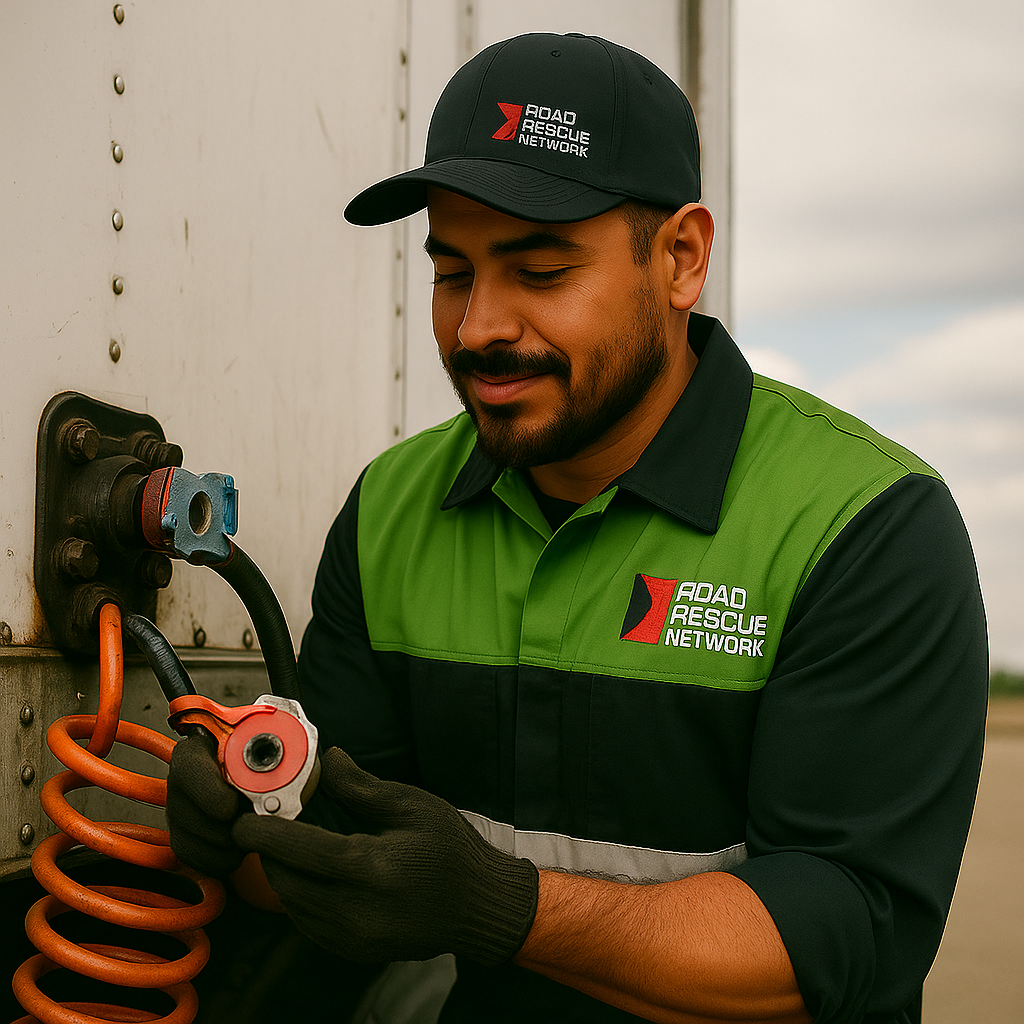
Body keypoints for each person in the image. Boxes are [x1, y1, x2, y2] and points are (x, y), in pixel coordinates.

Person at [167, 32, 988, 1024]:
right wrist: (249, 829)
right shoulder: (393, 505)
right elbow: (351, 853)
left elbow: (840, 935)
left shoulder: (860, 524)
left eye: (541, 270)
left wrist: (503, 907)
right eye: (452, 272)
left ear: (680, 259)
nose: (477, 328)